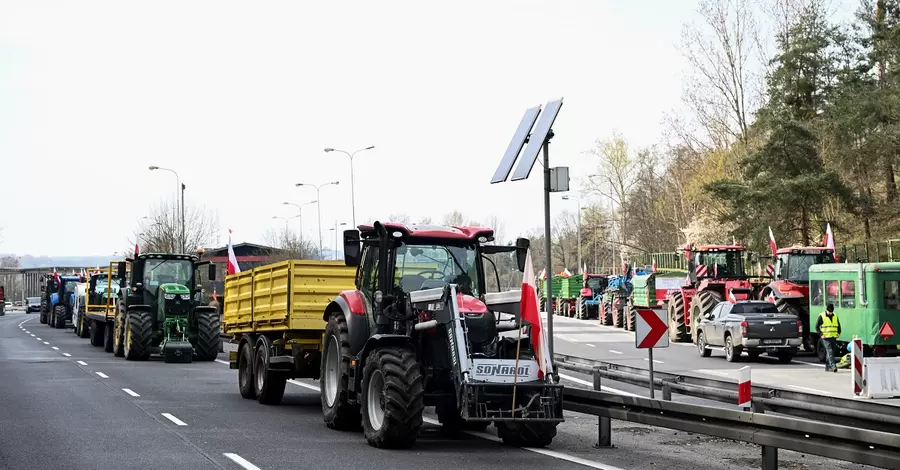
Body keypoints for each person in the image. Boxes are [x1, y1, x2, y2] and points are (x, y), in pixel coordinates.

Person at [816, 303, 842, 372]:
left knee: (832, 352)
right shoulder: (821, 316)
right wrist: (821, 334)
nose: (830, 313)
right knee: (830, 351)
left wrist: (839, 333)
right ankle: (833, 366)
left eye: (831, 312)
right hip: (825, 337)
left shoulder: (835, 316)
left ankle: (827, 366)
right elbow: (817, 327)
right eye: (829, 312)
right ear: (826, 310)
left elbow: (838, 326)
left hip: (833, 337)